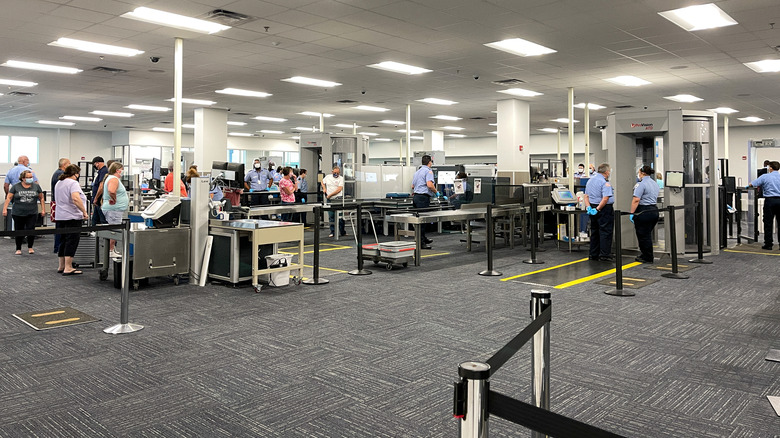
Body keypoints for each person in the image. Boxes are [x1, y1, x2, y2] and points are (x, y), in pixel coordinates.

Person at [55, 164, 89, 275]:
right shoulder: (73, 183)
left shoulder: (59, 183)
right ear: (75, 174)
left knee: (63, 241)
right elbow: (75, 198)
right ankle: (68, 267)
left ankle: (61, 266)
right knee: (71, 241)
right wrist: (84, 211)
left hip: (60, 216)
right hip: (72, 216)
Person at [3, 170, 45, 255]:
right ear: (23, 178)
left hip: (32, 212)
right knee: (19, 230)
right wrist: (5, 209)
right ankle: (18, 248)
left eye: (31, 177)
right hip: (18, 213)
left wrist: (43, 209)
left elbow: (41, 198)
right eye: (28, 177)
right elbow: (9, 198)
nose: (30, 179)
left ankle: (30, 247)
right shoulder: (16, 187)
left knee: (31, 230)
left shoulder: (36, 186)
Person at [583, 163, 614, 261]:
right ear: (606, 172)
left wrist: (589, 207)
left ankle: (593, 253)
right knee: (605, 231)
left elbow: (586, 196)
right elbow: (605, 199)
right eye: (609, 171)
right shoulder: (605, 183)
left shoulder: (590, 180)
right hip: (604, 208)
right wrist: (598, 209)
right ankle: (604, 254)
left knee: (595, 231)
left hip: (592, 207)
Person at [629, 166, 660, 263]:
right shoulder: (654, 183)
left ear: (641, 173)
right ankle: (646, 254)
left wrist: (632, 213)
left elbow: (636, 199)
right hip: (654, 210)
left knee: (643, 235)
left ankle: (647, 256)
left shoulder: (641, 184)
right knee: (647, 234)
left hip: (644, 210)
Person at [749, 160, 780, 250]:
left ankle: (768, 244)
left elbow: (752, 184)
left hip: (769, 201)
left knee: (768, 223)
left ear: (770, 167)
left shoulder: (765, 176)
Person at [102, 162, 129, 259]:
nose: (123, 171)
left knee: (114, 229)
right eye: (122, 169)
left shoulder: (112, 178)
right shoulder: (113, 179)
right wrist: (114, 199)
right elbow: (111, 190)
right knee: (114, 230)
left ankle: (112, 249)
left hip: (114, 209)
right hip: (114, 209)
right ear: (118, 170)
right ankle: (111, 250)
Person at [4, 155, 37, 232]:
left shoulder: (10, 171)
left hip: (16, 197)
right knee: (30, 221)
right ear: (24, 161)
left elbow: (6, 186)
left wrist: (8, 195)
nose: (28, 162)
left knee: (18, 221)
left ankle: (19, 236)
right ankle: (28, 235)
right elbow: (36, 185)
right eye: (28, 161)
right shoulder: (29, 171)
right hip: (29, 198)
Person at [411, 154, 436, 249]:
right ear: (430, 162)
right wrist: (436, 192)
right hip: (423, 198)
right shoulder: (429, 171)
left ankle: (422, 238)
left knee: (418, 219)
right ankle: (421, 242)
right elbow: (430, 185)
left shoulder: (417, 172)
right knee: (422, 221)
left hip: (416, 197)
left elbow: (412, 186)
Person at [51, 157, 71, 253]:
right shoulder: (61, 174)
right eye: (69, 164)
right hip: (60, 205)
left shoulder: (56, 173)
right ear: (64, 165)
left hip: (57, 203)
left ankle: (58, 247)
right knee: (61, 228)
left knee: (59, 227)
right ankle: (59, 247)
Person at [322, 165, 347, 237]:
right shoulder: (328, 177)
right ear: (332, 172)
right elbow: (322, 182)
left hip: (338, 199)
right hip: (329, 199)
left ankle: (342, 231)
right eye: (335, 172)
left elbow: (339, 189)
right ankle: (332, 231)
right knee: (331, 216)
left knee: (340, 216)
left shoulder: (341, 179)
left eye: (338, 173)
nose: (336, 174)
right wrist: (324, 189)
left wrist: (330, 195)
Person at [90, 156, 108, 225]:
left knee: (101, 219)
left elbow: (101, 186)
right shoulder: (101, 171)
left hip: (100, 200)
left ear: (97, 163)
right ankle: (95, 232)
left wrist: (96, 198)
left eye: (94, 164)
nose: (95, 166)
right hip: (98, 200)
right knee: (95, 219)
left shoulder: (104, 171)